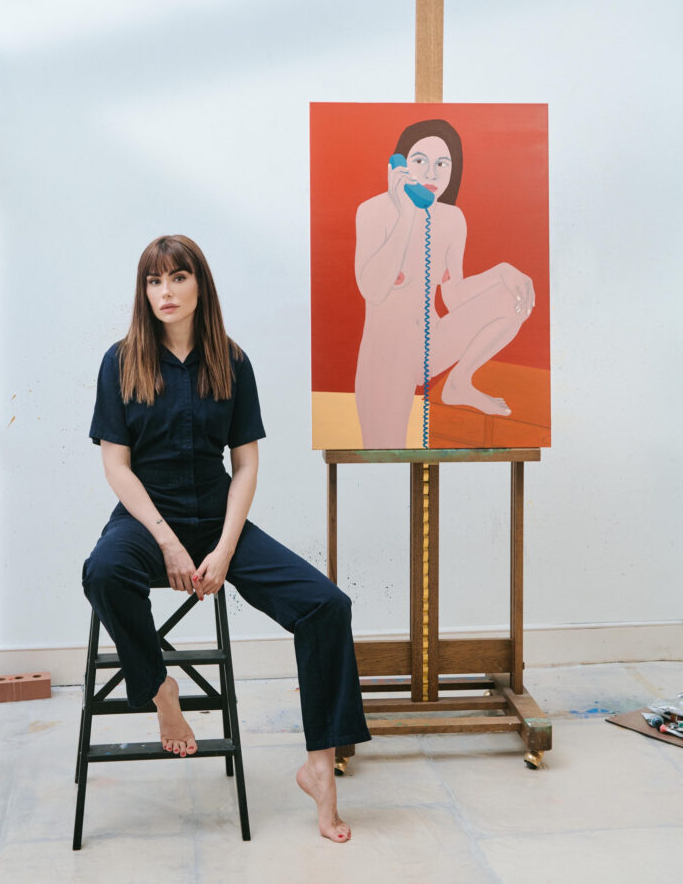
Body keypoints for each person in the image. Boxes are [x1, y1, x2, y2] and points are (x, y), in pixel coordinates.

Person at [82, 234, 371, 843]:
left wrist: (225, 548)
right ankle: (160, 689)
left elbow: (245, 465)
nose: (165, 291)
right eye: (154, 281)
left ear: (199, 285)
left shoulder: (231, 361)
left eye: (177, 278)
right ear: (144, 292)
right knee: (103, 571)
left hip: (218, 518)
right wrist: (168, 542)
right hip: (145, 519)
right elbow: (116, 466)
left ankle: (320, 768)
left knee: (326, 605)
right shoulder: (120, 360)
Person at [354, 118, 535, 449]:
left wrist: (502, 272)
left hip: (432, 342)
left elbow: (454, 296)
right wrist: (406, 214)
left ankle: (459, 383)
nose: (432, 173)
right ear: (399, 166)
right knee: (385, 451)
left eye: (442, 164)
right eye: (419, 160)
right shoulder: (372, 212)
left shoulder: (453, 219)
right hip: (387, 356)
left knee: (513, 297)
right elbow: (373, 289)